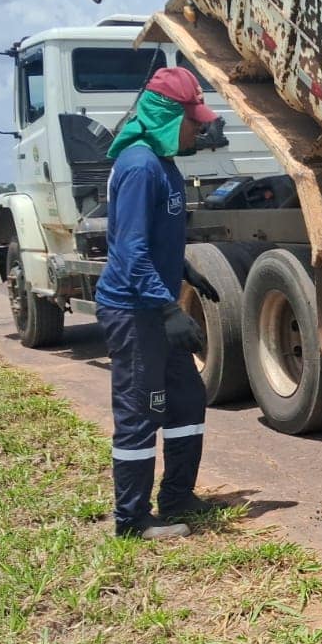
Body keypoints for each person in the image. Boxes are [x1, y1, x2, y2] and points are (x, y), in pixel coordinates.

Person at [95, 66, 223, 539]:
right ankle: (132, 520)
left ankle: (177, 497)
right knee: (140, 412)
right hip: (135, 313)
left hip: (156, 302)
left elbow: (153, 239)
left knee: (187, 400)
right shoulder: (140, 166)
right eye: (194, 121)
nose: (200, 128)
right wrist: (168, 308)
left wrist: (184, 271)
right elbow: (129, 251)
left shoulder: (164, 162)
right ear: (168, 118)